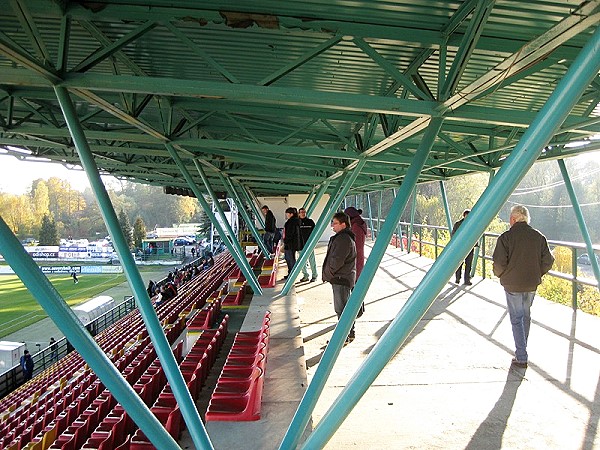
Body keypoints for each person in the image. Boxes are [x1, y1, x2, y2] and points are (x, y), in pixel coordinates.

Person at [493, 205, 554, 368]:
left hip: (512, 284)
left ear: (513, 219)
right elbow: (549, 260)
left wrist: (502, 275)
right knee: (525, 316)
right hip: (531, 284)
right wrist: (536, 273)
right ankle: (522, 350)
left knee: (516, 318)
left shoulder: (506, 237)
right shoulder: (538, 237)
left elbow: (499, 263)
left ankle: (521, 355)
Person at [322, 212, 357, 343]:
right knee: (344, 308)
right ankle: (349, 333)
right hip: (343, 277)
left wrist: (330, 273)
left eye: (335, 223)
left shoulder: (343, 239)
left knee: (341, 309)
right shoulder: (344, 237)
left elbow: (337, 260)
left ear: (343, 224)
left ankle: (343, 337)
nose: (332, 226)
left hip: (341, 278)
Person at [451, 209, 477, 285]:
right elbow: (453, 235)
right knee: (459, 264)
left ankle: (466, 280)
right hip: (460, 247)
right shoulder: (458, 224)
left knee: (469, 264)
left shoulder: (473, 224)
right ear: (464, 216)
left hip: (469, 247)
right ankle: (458, 278)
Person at [344, 207, 367, 281]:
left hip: (354, 259)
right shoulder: (358, 223)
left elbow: (355, 245)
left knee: (355, 279)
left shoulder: (356, 227)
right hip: (357, 257)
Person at [283, 207, 303, 279]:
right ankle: (292, 274)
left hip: (290, 244)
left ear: (291, 214)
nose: (286, 215)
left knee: (290, 259)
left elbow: (289, 234)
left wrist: (286, 241)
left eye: (287, 214)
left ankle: (292, 274)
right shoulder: (296, 221)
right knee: (291, 259)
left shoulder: (291, 222)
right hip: (294, 244)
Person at [298, 207, 318, 282]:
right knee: (302, 262)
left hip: (309, 244)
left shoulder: (310, 222)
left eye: (304, 212)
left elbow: (315, 232)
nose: (303, 213)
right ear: (299, 213)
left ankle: (314, 276)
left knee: (312, 260)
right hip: (300, 245)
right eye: (301, 212)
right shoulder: (297, 222)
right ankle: (305, 276)